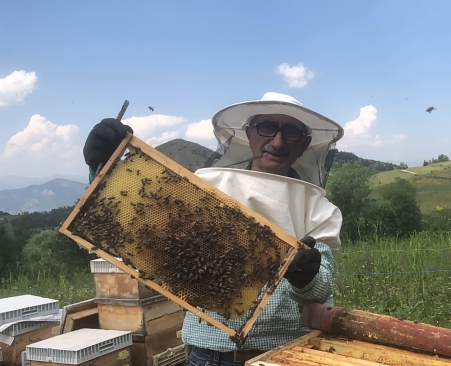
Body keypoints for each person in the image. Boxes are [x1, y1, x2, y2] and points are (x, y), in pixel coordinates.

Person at [82, 92, 344, 366]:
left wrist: (308, 276)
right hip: (213, 356)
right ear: (248, 133)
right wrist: (102, 167)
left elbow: (320, 290)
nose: (277, 141)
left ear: (304, 145)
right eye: (266, 127)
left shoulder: (317, 208)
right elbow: (138, 224)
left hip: (291, 354)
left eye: (290, 132)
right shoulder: (204, 189)